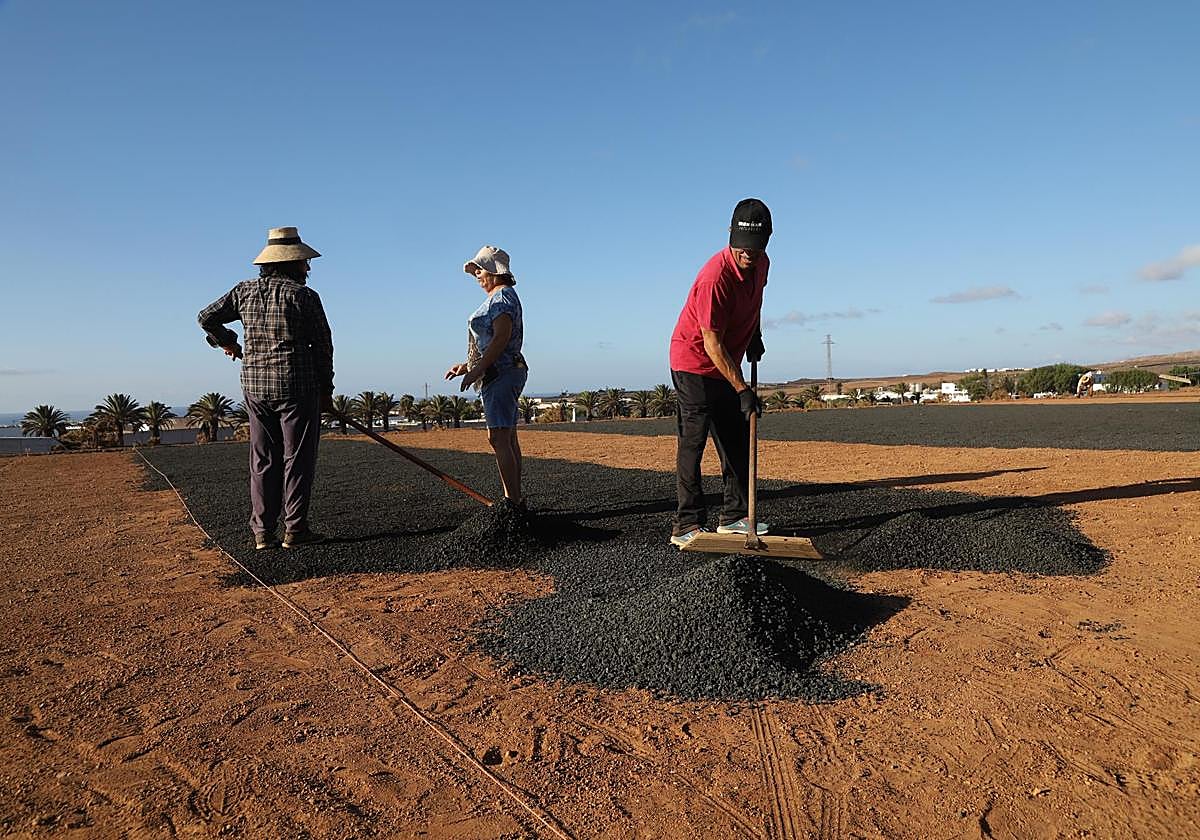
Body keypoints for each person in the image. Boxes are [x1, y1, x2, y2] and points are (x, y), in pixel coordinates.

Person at [198, 226, 334, 550]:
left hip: (256, 387)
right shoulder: (304, 296)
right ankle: (295, 530)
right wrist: (326, 391)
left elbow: (205, 317)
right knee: (297, 458)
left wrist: (226, 342)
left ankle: (262, 532)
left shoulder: (243, 291)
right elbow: (323, 346)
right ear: (291, 263)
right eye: (304, 262)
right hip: (297, 386)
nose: (308, 268)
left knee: (263, 459)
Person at [667, 198, 772, 548]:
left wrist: (754, 334)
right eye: (742, 247)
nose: (748, 254)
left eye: (755, 248)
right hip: (694, 363)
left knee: (736, 438)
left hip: (725, 362)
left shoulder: (761, 264)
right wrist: (742, 389)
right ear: (730, 236)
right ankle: (686, 523)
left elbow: (755, 299)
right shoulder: (715, 277)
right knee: (693, 441)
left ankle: (734, 516)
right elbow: (711, 343)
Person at [444, 245, 528, 508]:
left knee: (498, 437)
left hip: (500, 372)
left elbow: (501, 338)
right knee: (506, 437)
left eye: (479, 270)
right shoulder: (501, 297)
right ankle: (514, 499)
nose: (477, 275)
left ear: (494, 271)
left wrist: (477, 369)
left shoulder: (501, 299)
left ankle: (511, 502)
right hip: (503, 370)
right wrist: (467, 366)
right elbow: (492, 341)